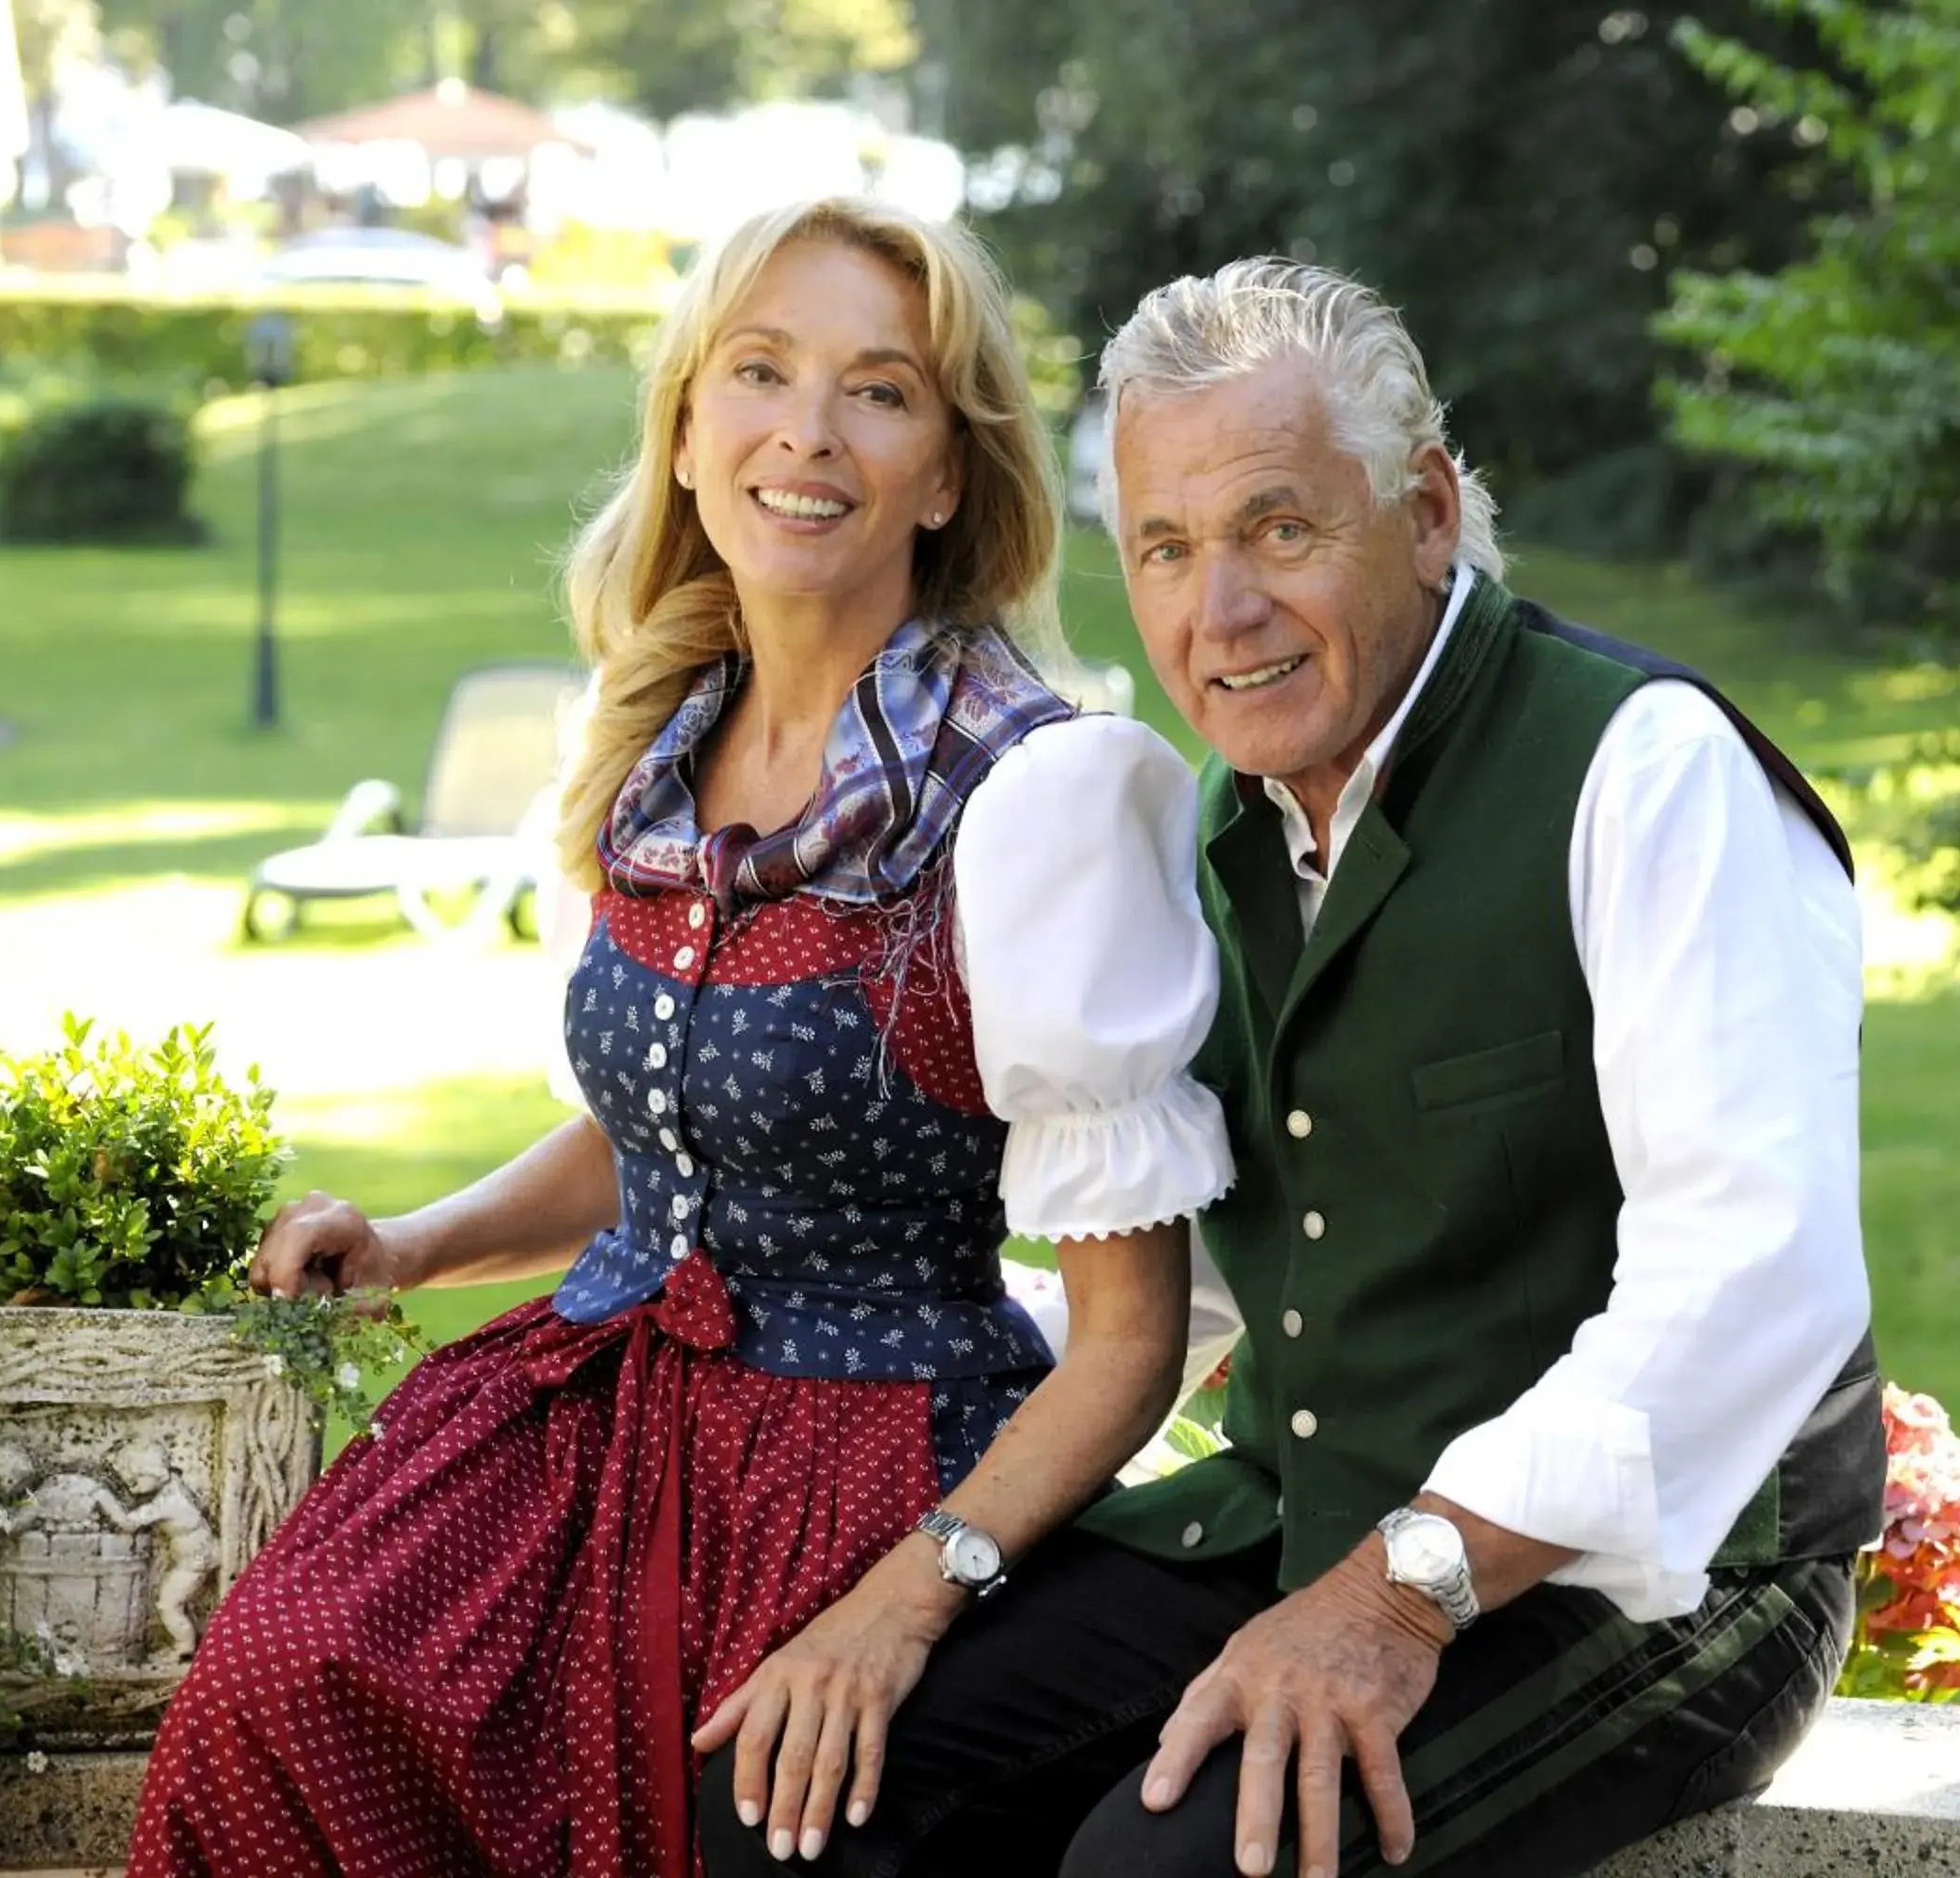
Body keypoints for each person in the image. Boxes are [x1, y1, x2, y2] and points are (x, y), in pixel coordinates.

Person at [700, 259, 1886, 1878]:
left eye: (1279, 529)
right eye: (1169, 551)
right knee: (789, 1800)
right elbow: (1172, 1289)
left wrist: (1401, 1592)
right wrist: (917, 1573)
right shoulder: (1212, 826)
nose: (1219, 615)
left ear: (1428, 512)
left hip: (1659, 1573)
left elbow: (1758, 1280)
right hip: (1295, 1509)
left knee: (1173, 1872)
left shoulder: (1645, 769)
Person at [122, 198, 1234, 1878]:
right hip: (587, 1424)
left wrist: (906, 1601)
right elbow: (673, 1128)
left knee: (691, 1813)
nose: (807, 431)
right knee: (284, 1690)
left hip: (861, 1460)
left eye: (879, 392)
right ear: (691, 429)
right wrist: (417, 1240)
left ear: (947, 473)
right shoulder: (661, 737)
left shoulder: (1034, 796)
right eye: (760, 373)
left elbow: (1127, 1343)